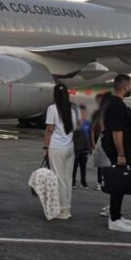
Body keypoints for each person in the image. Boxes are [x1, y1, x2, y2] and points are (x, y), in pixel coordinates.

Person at [100, 74, 131, 232]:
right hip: (118, 150)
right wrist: (121, 154)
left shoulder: (110, 101)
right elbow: (117, 131)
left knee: (120, 182)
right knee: (119, 183)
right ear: (125, 86)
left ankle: (117, 214)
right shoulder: (117, 105)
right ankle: (114, 219)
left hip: (114, 147)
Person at [43, 82, 77, 220]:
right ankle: (67, 207)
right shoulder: (73, 108)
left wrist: (45, 147)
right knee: (68, 179)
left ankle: (62, 210)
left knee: (59, 179)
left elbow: (49, 130)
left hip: (57, 147)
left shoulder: (52, 108)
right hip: (70, 147)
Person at [72, 105, 91, 189]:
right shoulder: (75, 123)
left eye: (84, 113)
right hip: (76, 148)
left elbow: (90, 135)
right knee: (74, 166)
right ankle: (73, 181)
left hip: (85, 148)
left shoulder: (88, 123)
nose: (83, 114)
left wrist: (91, 146)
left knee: (83, 166)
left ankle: (83, 182)